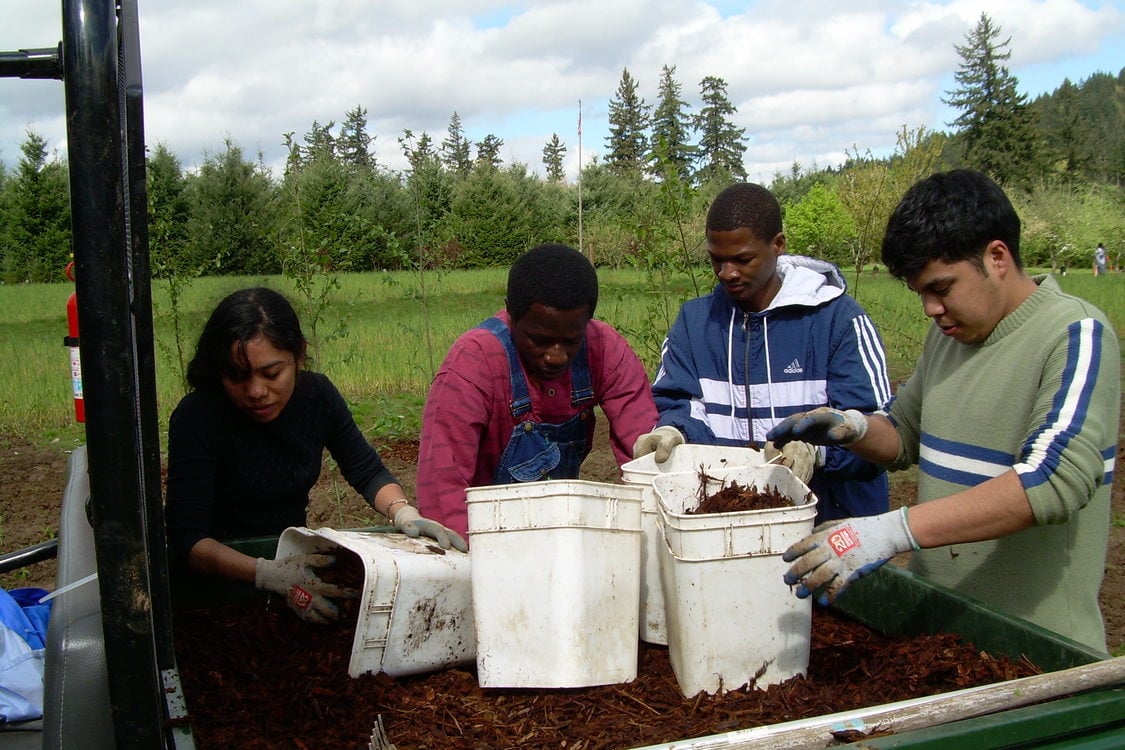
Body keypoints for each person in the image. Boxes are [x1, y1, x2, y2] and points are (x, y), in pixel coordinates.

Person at [768, 170, 1119, 652]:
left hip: (1036, 648)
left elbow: (1054, 480)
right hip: (941, 637)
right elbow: (903, 434)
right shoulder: (948, 337)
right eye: (921, 294)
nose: (931, 309)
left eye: (942, 288)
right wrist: (849, 427)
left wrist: (893, 530)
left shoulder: (1074, 334)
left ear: (997, 257)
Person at [165, 287, 465, 625]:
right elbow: (189, 541)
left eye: (271, 373)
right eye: (237, 376)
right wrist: (266, 574)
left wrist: (404, 514)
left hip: (293, 564)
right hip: (218, 585)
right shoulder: (199, 416)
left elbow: (366, 471)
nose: (256, 391)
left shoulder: (316, 397)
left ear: (298, 356)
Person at [633, 182, 892, 523]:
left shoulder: (836, 321)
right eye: (716, 259)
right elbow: (680, 403)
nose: (727, 273)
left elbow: (878, 430)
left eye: (742, 259)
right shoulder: (694, 323)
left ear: (778, 245)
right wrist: (674, 431)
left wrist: (817, 452)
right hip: (730, 526)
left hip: (831, 528)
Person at [416, 243, 659, 537]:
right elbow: (442, 494)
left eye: (571, 341)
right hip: (481, 539)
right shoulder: (474, 364)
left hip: (560, 536)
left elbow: (645, 462)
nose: (556, 356)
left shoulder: (604, 350)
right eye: (539, 340)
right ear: (511, 314)